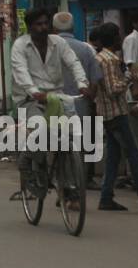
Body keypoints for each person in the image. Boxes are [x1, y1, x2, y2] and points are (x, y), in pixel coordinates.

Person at [90, 22, 138, 213]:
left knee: (113, 158)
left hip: (108, 113)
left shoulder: (102, 58)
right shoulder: (108, 60)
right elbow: (112, 90)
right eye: (119, 36)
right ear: (114, 38)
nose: (121, 39)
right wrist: (129, 78)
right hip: (116, 113)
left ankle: (106, 197)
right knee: (134, 156)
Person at [9, 10, 88, 195]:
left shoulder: (58, 43)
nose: (43, 27)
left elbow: (73, 63)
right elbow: (20, 72)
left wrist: (82, 83)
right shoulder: (20, 46)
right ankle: (27, 160)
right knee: (40, 129)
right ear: (30, 27)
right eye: (38, 24)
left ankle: (68, 184)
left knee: (73, 135)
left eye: (45, 23)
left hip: (56, 95)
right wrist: (35, 92)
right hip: (29, 98)